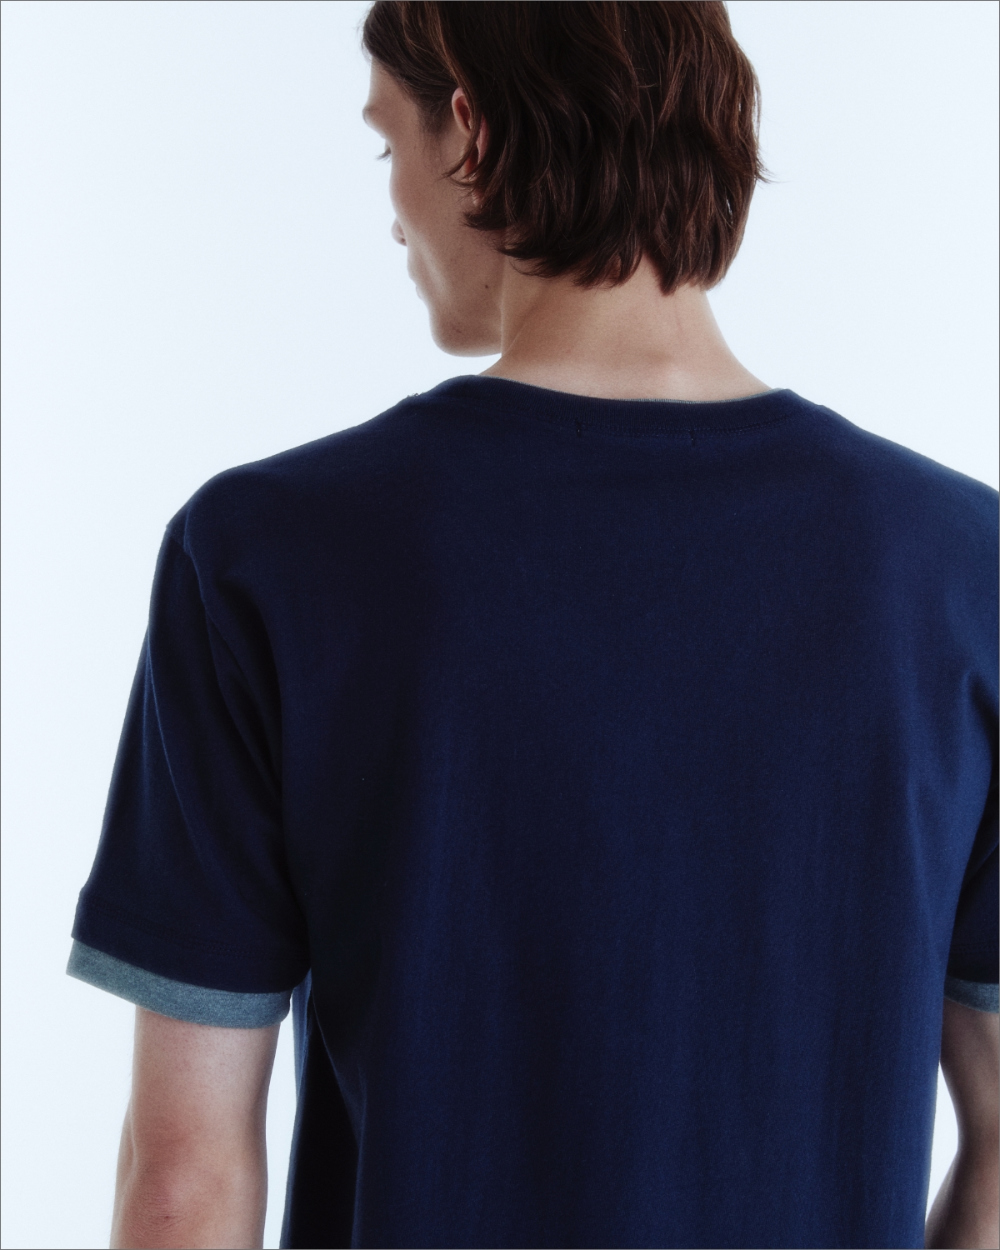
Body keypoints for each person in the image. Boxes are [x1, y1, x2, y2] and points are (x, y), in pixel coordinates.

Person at [67, 3, 998, 1248]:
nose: (390, 209)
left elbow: (184, 1179)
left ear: (470, 132)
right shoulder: (964, 570)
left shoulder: (265, 554)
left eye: (384, 141)